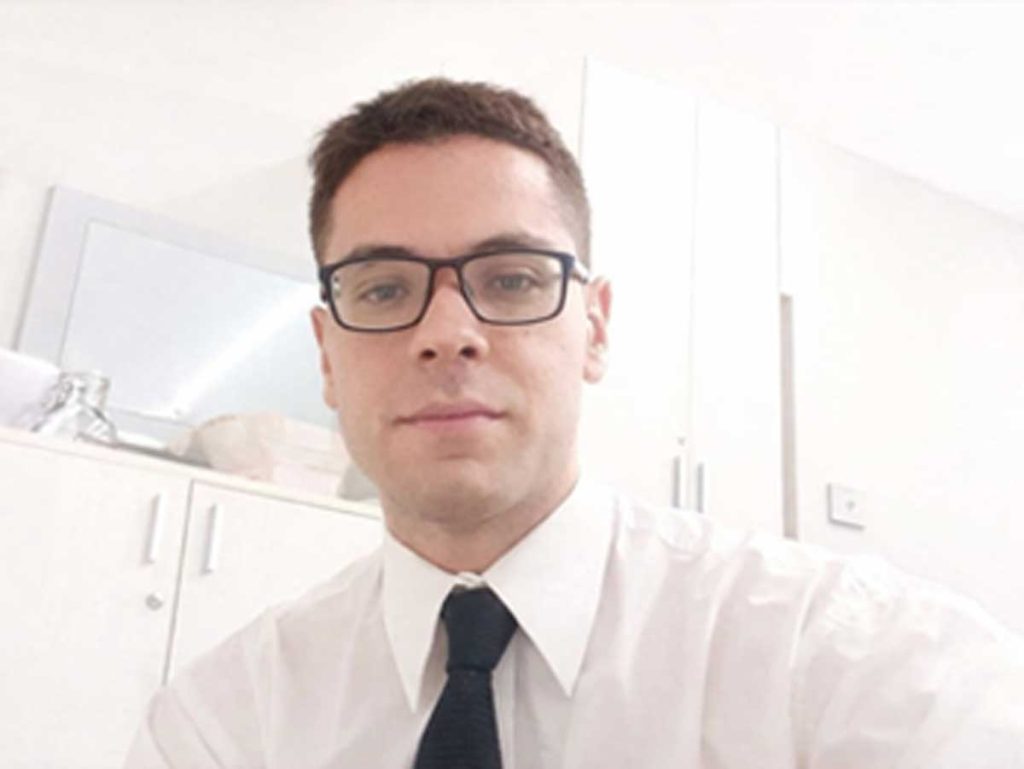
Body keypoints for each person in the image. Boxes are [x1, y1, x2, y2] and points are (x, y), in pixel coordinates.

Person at [125, 78, 1024, 768]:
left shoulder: (842, 659)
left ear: (594, 327)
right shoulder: (226, 723)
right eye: (385, 289)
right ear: (327, 355)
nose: (447, 332)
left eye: (513, 278)